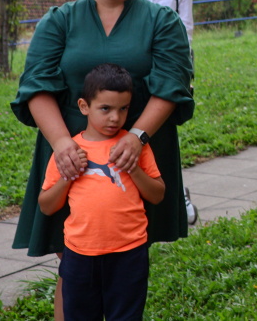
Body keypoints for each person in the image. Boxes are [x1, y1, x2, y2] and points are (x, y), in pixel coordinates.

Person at [11, 0, 193, 321]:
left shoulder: (162, 20)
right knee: (71, 258)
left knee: (127, 251)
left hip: (138, 147)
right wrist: (62, 144)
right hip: (69, 150)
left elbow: (172, 85)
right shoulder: (59, 20)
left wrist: (136, 137)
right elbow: (35, 86)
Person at [39, 63, 164, 321]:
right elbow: (46, 206)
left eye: (123, 109)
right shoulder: (69, 151)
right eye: (105, 109)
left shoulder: (133, 147)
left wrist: (134, 169)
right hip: (80, 255)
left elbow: (157, 194)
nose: (115, 118)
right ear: (84, 106)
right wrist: (68, 176)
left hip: (129, 253)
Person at [133, 0, 198, 226]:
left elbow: (186, 31)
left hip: (168, 68)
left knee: (163, 131)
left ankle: (177, 192)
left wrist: (183, 72)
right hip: (134, 65)